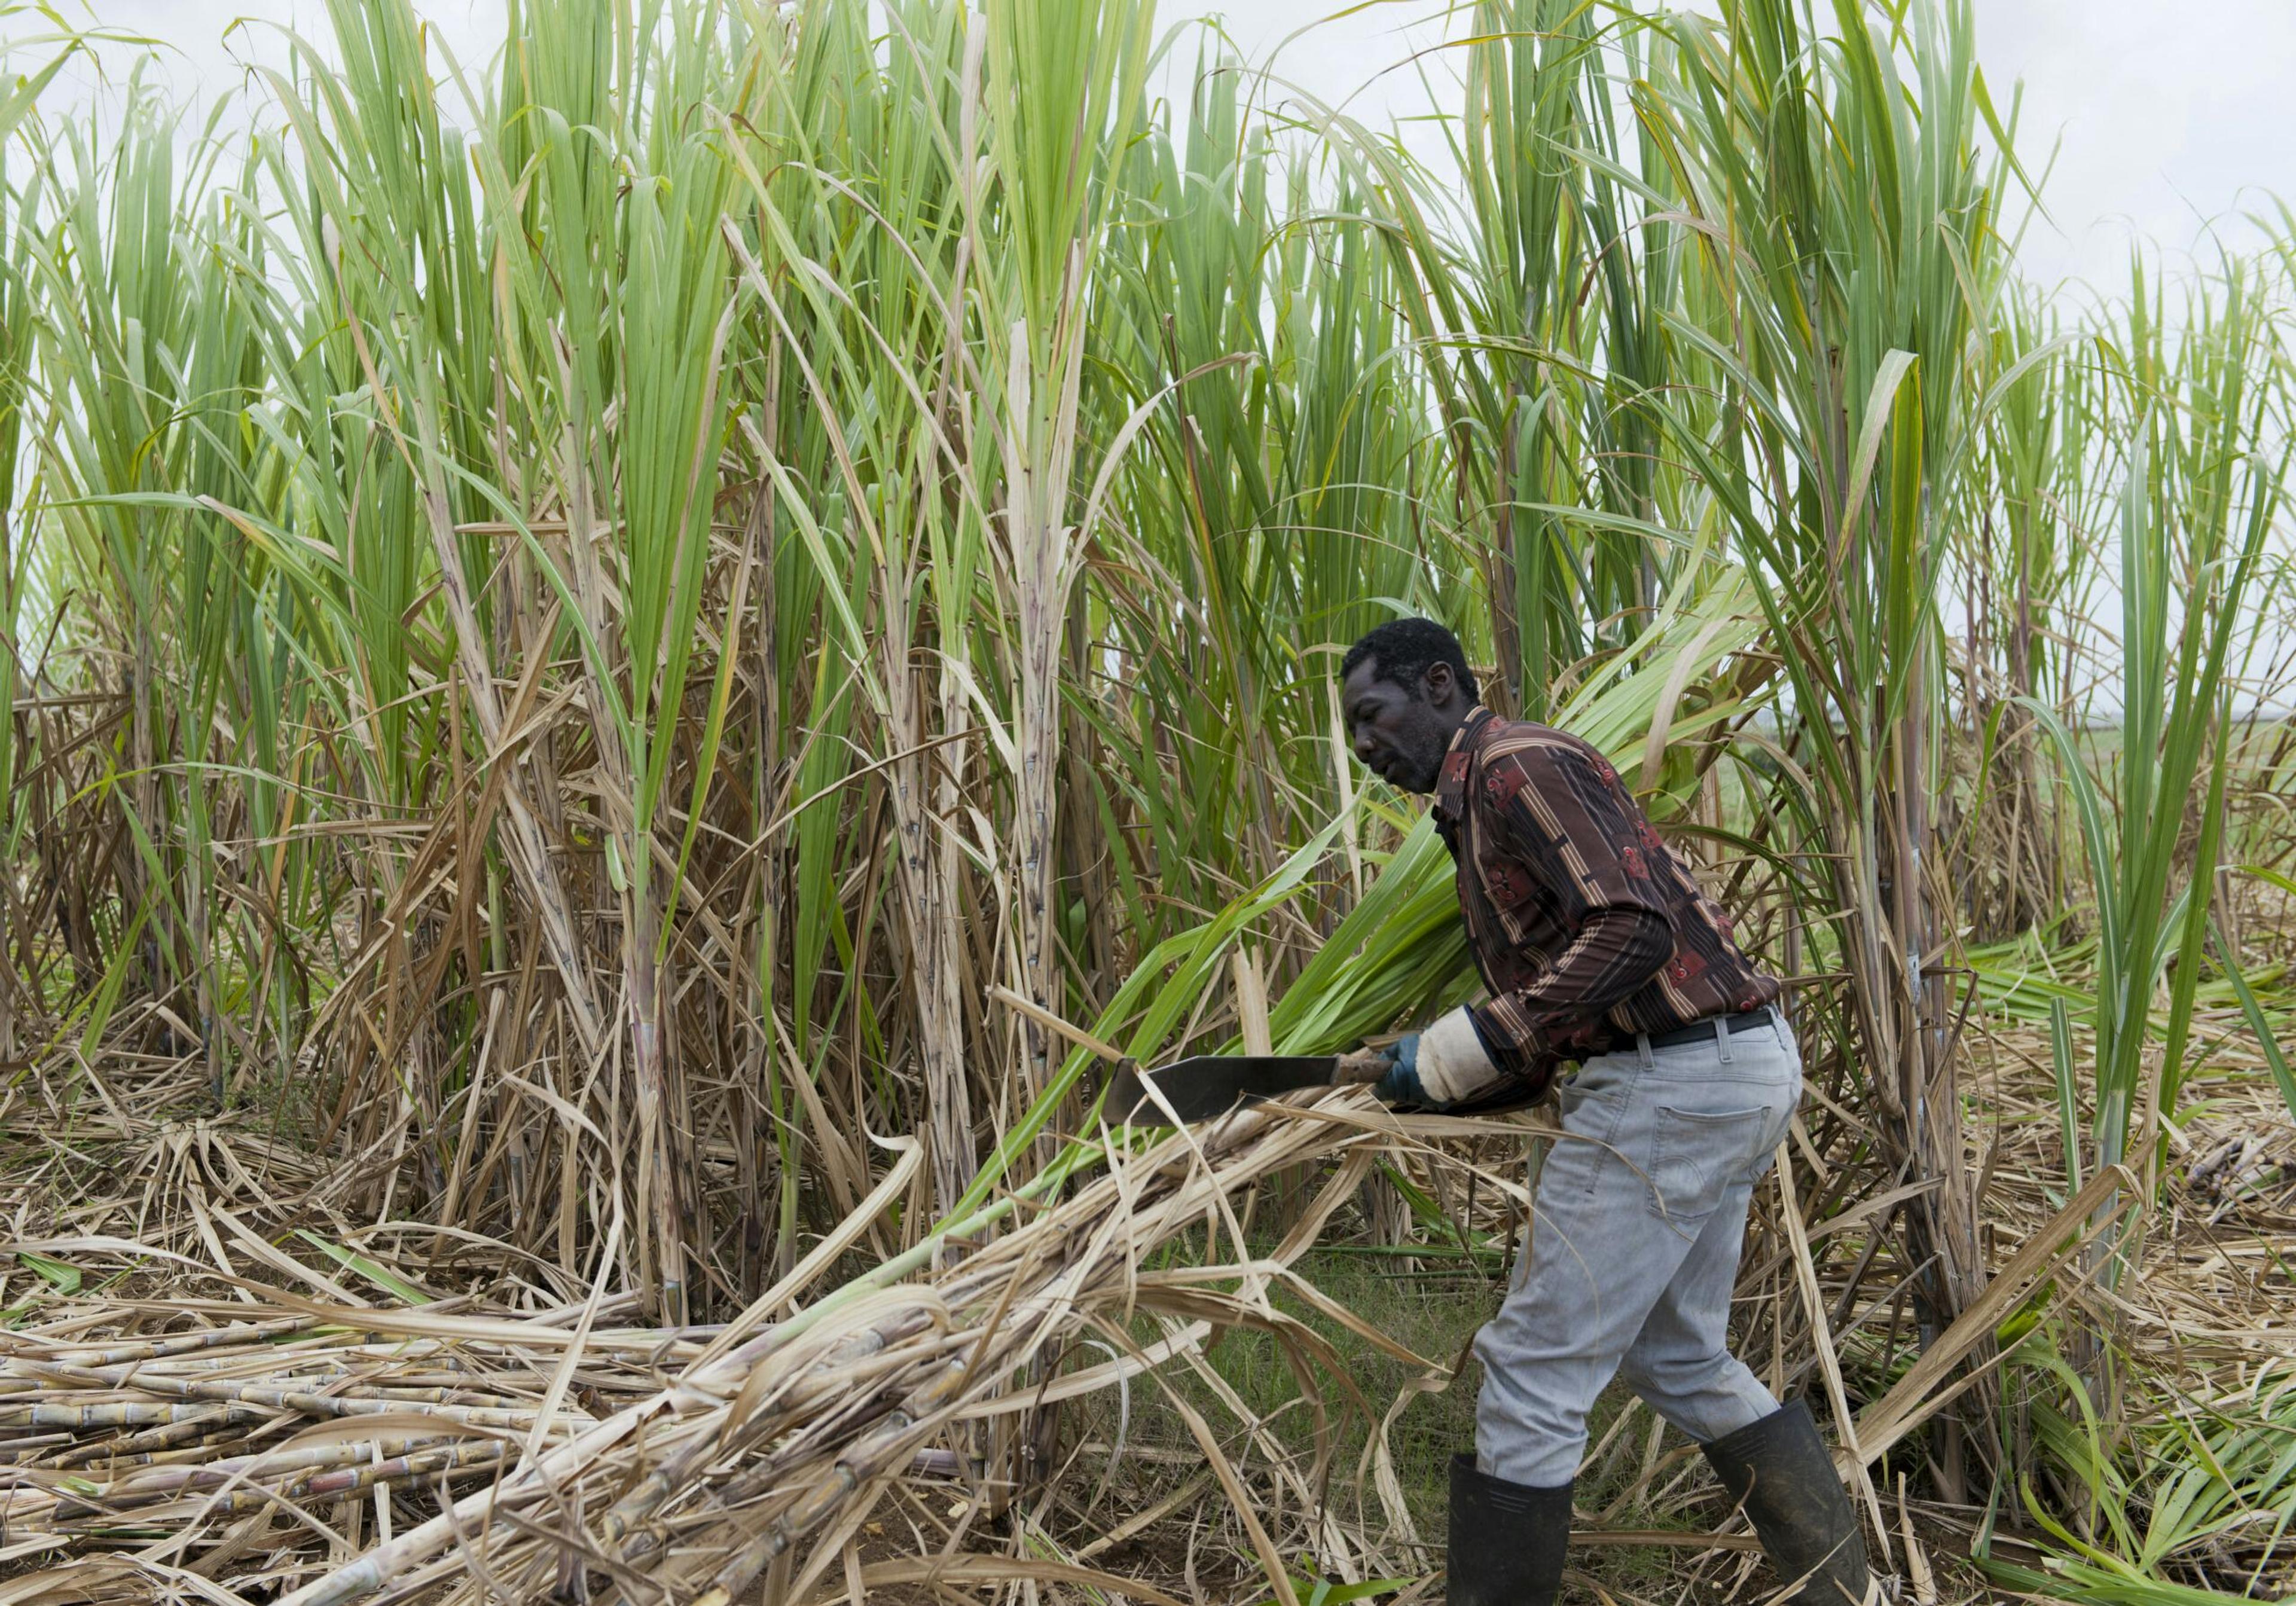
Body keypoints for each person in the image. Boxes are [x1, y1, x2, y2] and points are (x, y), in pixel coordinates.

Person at [1336, 617, 1877, 1606]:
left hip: (1672, 1077)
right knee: (1677, 1352)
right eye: (1352, 730)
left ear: (1442, 685)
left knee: (1533, 1372)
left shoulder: (1515, 766)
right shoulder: (1481, 803)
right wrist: (1432, 1082)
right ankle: (1846, 1595)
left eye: (1373, 713)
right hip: (1721, 1068)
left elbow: (1632, 927)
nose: (1363, 745)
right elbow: (1559, 1020)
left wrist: (1476, 1039)